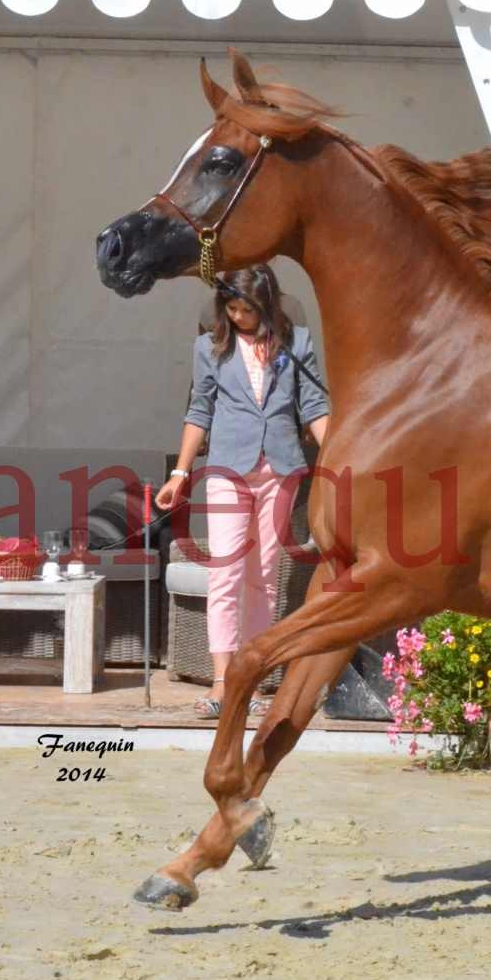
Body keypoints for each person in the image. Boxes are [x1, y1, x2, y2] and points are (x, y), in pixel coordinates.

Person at [156, 266, 330, 719]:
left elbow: (313, 407)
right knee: (226, 572)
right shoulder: (209, 347)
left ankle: (249, 681)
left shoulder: (298, 345)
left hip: (281, 469)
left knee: (264, 576)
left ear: (267, 305)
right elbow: (199, 410)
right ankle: (222, 681)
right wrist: (179, 472)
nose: (238, 316)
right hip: (228, 469)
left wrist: (337, 458)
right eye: (231, 308)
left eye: (247, 309)